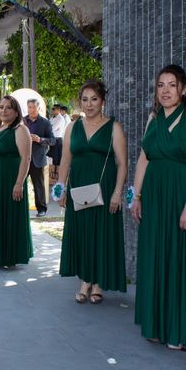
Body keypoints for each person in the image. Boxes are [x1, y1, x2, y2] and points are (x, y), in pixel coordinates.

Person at [130, 64, 186, 350]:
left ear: (184, 89)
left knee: (178, 259)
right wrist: (136, 196)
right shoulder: (153, 118)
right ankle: (155, 324)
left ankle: (177, 329)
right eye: (161, 85)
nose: (165, 90)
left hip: (180, 197)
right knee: (155, 257)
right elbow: (144, 158)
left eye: (172, 85)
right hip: (153, 198)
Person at [57, 81, 128, 304]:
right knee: (83, 234)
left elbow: (122, 163)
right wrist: (61, 188)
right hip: (78, 187)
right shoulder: (73, 127)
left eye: (94, 99)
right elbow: (65, 159)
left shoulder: (114, 127)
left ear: (103, 101)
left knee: (101, 234)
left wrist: (117, 192)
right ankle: (85, 281)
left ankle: (97, 283)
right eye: (85, 99)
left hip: (104, 188)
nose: (89, 104)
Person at [0, 96, 33, 268]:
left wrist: (19, 183)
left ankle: (9, 256)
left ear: (16, 111)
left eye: (8, 108)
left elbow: (26, 158)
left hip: (10, 178)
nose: (3, 111)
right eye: (1, 107)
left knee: (9, 214)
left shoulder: (20, 130)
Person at [24, 99, 55, 218]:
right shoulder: (22, 121)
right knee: (19, 183)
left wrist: (40, 139)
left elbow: (52, 140)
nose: (31, 109)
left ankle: (41, 209)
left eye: (33, 107)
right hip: (24, 158)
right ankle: (19, 208)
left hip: (37, 158)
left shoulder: (45, 122)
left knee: (39, 185)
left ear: (38, 108)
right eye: (29, 107)